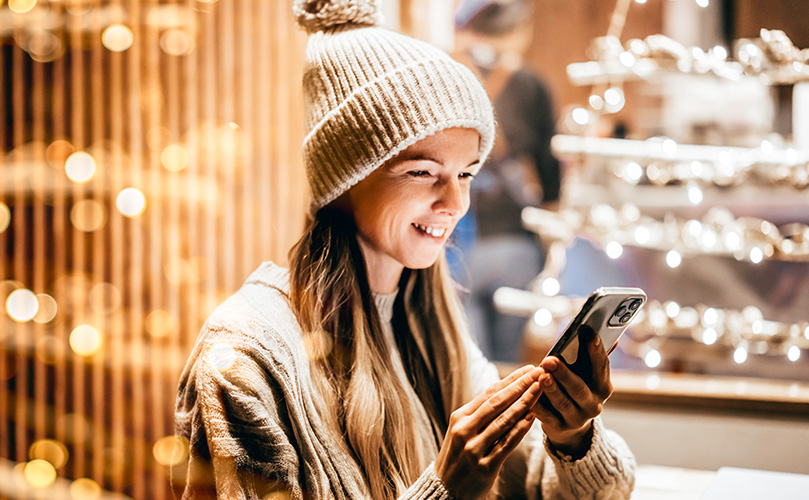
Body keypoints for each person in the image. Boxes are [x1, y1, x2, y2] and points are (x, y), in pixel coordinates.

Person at [173, 1, 635, 498]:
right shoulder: (246, 353)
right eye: (422, 172)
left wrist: (572, 438)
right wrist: (445, 489)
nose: (455, 203)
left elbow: (555, 488)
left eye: (465, 174)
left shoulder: (432, 322)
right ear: (344, 178)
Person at [451, 0, 563, 363]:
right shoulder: (530, 85)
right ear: (517, 32)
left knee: (471, 362)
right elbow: (549, 169)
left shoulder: (449, 74)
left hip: (457, 239)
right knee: (506, 364)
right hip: (516, 240)